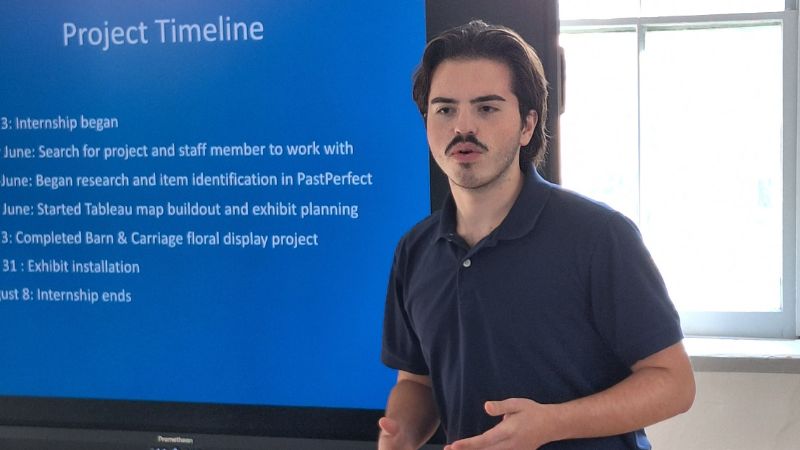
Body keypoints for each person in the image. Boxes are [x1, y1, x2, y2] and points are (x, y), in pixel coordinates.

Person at [378, 20, 695, 450]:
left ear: (527, 125)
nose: (462, 127)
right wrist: (400, 431)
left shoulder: (600, 237)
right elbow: (418, 381)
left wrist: (551, 423)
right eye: (445, 109)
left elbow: (674, 383)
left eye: (487, 108)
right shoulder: (415, 250)